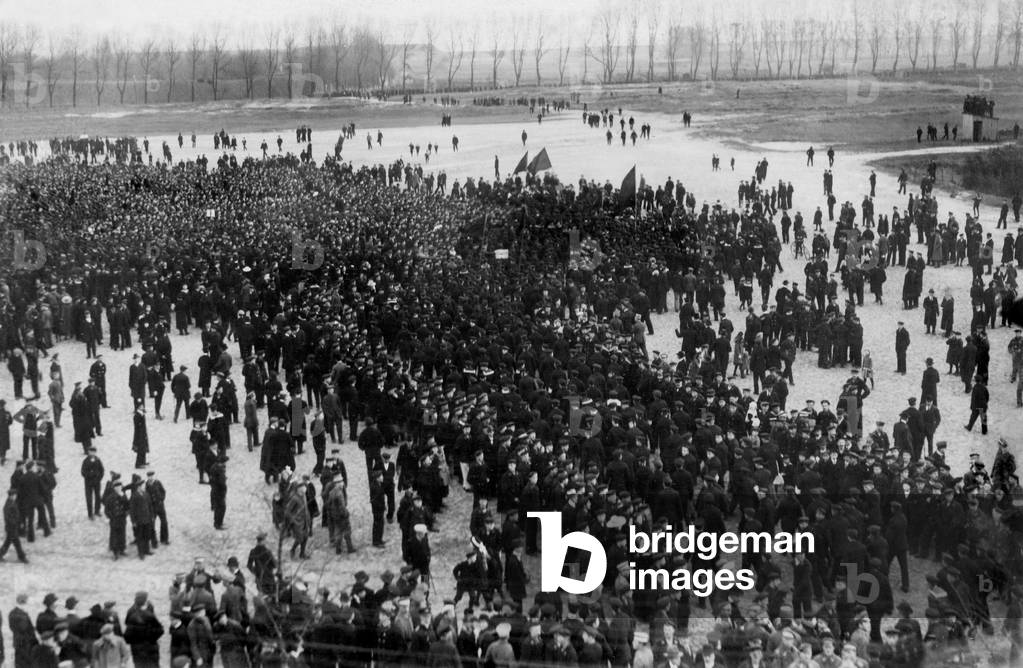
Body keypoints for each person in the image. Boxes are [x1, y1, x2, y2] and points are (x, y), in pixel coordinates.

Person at [0, 489, 28, 563]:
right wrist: (16, 523)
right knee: (17, 543)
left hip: (12, 527)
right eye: (15, 495)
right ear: (11, 496)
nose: (16, 496)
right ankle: (22, 556)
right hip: (11, 527)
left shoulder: (11, 502)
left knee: (8, 542)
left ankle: (0, 555)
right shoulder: (8, 505)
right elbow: (8, 517)